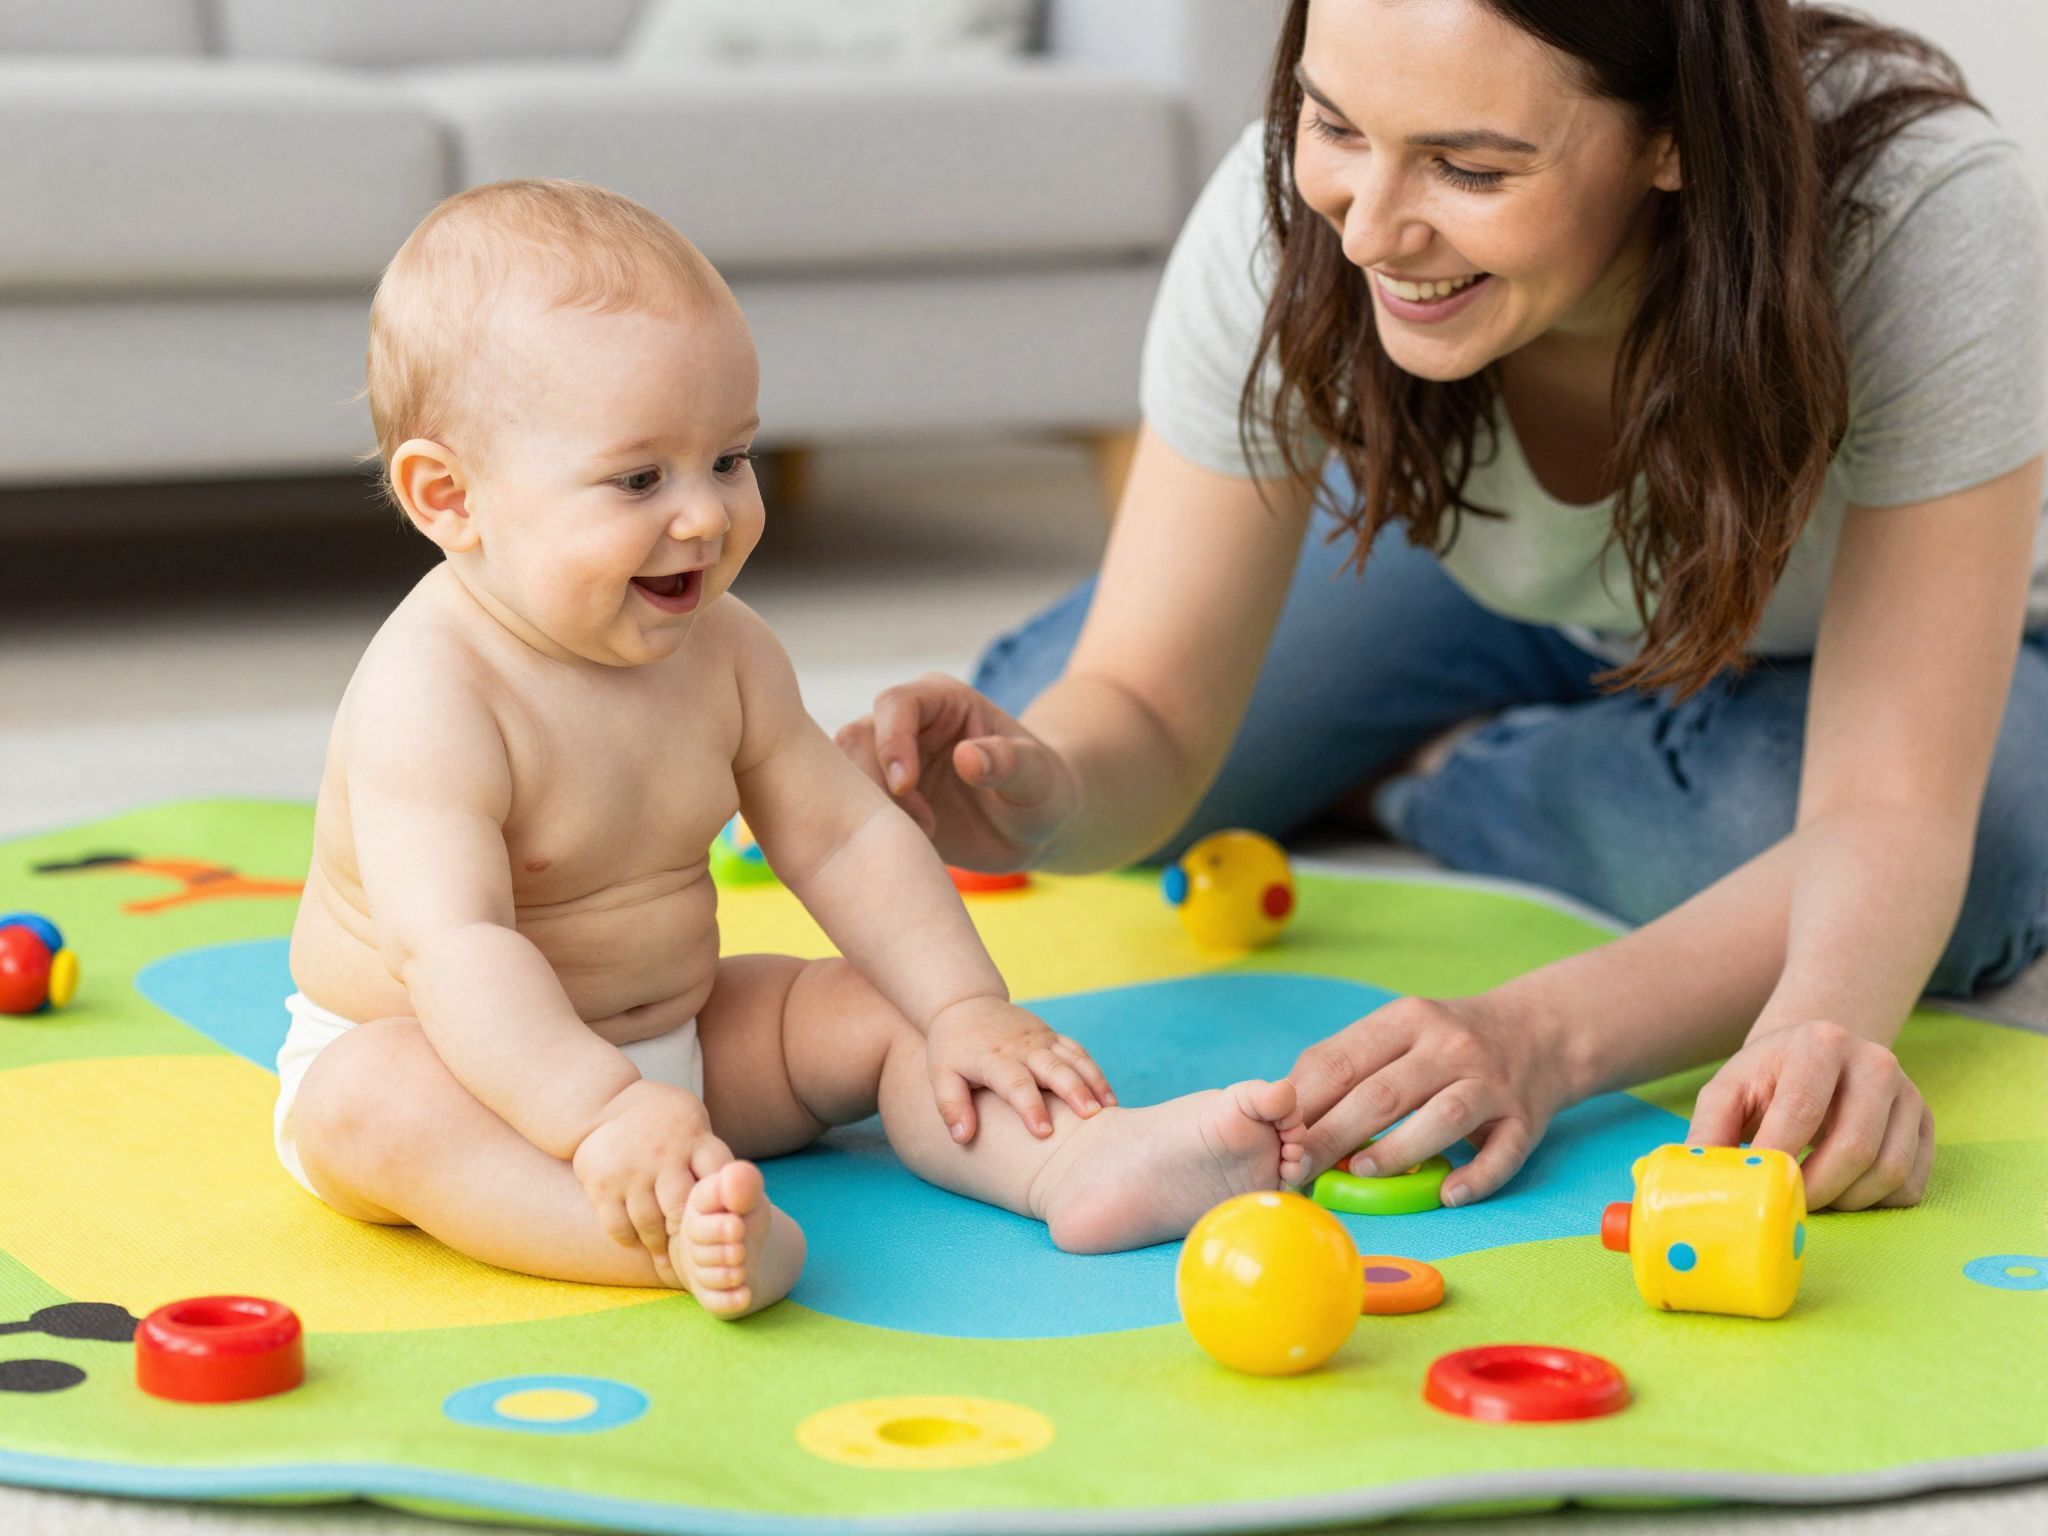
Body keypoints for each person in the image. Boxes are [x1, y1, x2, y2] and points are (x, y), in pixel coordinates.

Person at [838, 0, 2048, 1216]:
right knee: (1042, 704)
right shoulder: (1297, 217)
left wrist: (1583, 1032)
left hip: (1836, 642)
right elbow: (1142, 703)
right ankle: (1490, 733)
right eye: (1332, 125)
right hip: (1484, 571)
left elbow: (1886, 803)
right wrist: (1050, 794)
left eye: (1469, 168)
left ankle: (1446, 771)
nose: (1367, 229)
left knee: (1962, 863)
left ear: (1680, 134)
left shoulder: (1915, 219)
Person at [276, 180, 1304, 1318]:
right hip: (470, 1068)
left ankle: (1073, 1164)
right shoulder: (432, 695)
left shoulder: (722, 651)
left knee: (881, 1013)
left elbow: (847, 834)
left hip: (680, 1044)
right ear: (450, 497)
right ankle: (655, 1241)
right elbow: (455, 950)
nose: (706, 516)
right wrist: (598, 1113)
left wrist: (962, 1005)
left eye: (730, 459)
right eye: (639, 478)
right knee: (370, 1103)